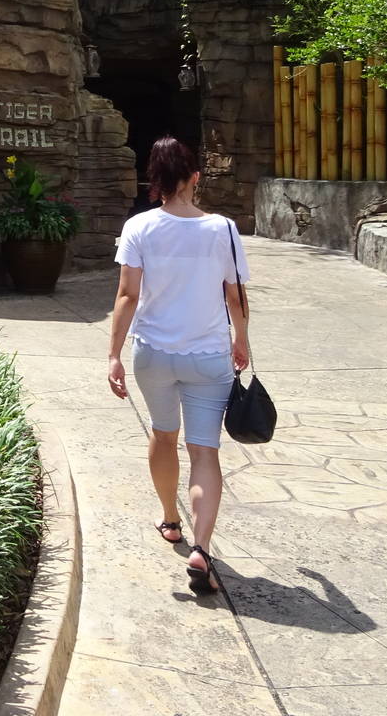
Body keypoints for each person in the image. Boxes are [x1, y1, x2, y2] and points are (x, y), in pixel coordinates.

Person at [106, 135, 250, 594]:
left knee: (163, 435)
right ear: (195, 178)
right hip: (208, 356)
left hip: (153, 353)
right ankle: (201, 548)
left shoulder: (139, 227)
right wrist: (241, 339)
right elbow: (234, 294)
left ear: (156, 180)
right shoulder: (223, 229)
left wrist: (114, 355)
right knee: (204, 451)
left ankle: (171, 520)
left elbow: (127, 296)